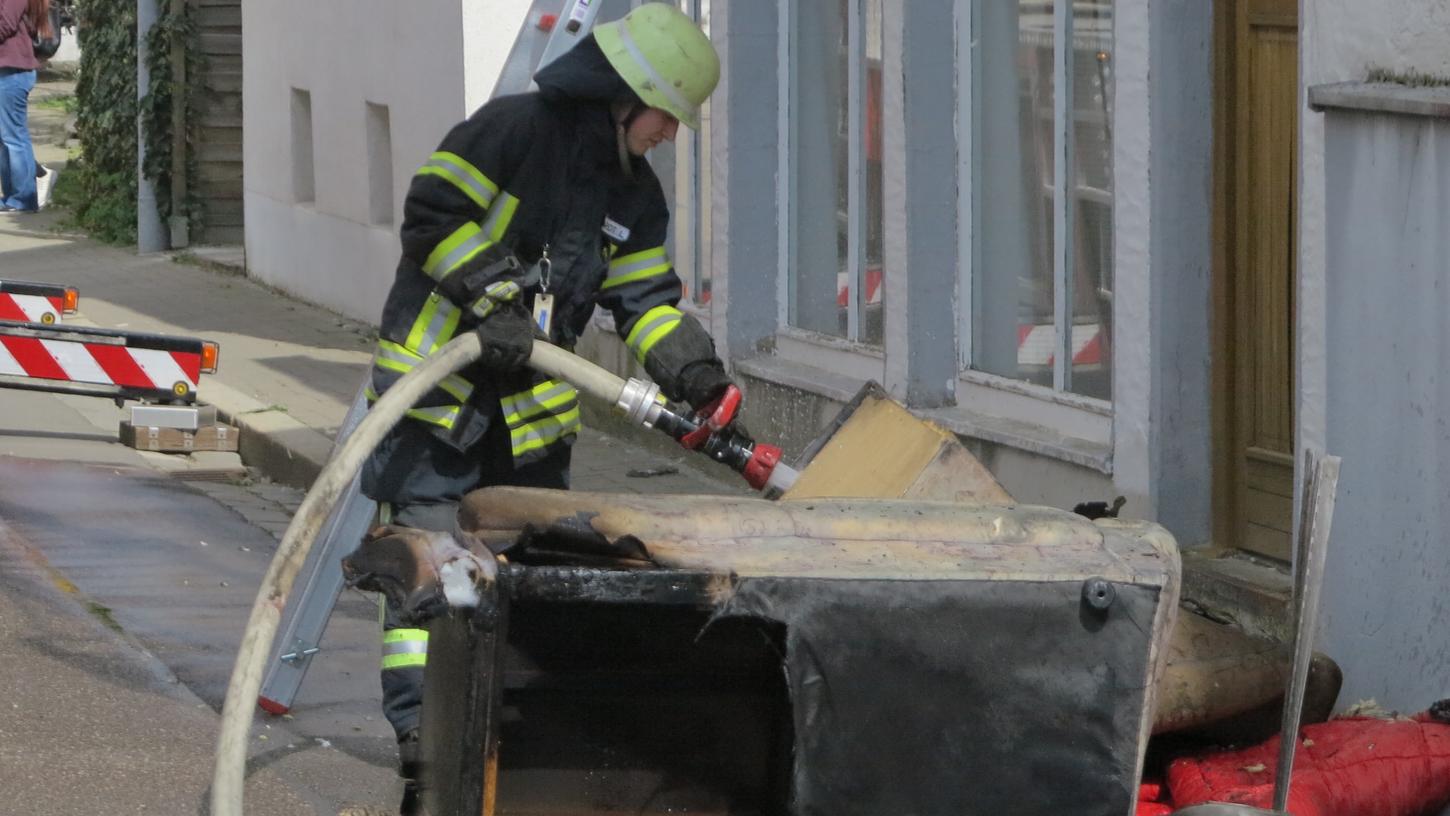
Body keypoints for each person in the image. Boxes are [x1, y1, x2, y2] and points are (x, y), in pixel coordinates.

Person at [357, 5, 735, 812]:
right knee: (430, 582)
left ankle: (506, 754)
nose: (671, 134)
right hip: (434, 403)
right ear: (626, 97)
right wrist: (491, 294)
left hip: (527, 430)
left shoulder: (634, 195)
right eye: (669, 115)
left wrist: (693, 371)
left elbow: (644, 301)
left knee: (523, 588)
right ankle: (424, 759)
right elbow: (432, 213)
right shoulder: (511, 131)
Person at [0, 0, 47, 213]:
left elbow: (6, 24)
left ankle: (24, 199)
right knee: (5, 139)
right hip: (8, 70)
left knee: (13, 138)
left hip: (13, 72)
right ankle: (12, 196)